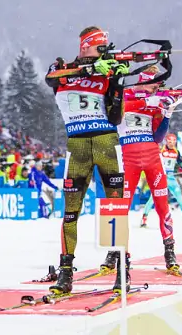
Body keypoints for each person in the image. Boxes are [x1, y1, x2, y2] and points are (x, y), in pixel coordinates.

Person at [44, 26, 129, 295]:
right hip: (77, 145)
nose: (104, 52)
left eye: (106, 48)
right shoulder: (63, 69)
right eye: (100, 47)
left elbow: (116, 117)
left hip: (106, 142)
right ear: (85, 47)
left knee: (113, 211)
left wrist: (116, 84)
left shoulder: (108, 73)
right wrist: (89, 70)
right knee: (70, 213)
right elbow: (50, 79)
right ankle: (66, 272)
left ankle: (122, 270)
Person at [102, 66, 179, 283]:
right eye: (155, 85)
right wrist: (147, 102)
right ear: (144, 81)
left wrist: (166, 115)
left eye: (158, 86)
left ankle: (170, 251)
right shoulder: (126, 95)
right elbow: (116, 114)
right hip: (129, 159)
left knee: (163, 205)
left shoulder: (155, 102)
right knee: (120, 207)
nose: (157, 89)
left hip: (153, 158)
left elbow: (158, 137)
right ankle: (114, 253)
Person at [141, 133, 182, 228]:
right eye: (169, 141)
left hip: (171, 178)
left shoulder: (177, 152)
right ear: (166, 141)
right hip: (161, 177)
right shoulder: (160, 150)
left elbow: (180, 163)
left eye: (173, 142)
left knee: (179, 198)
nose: (171, 144)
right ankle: (144, 218)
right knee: (153, 198)